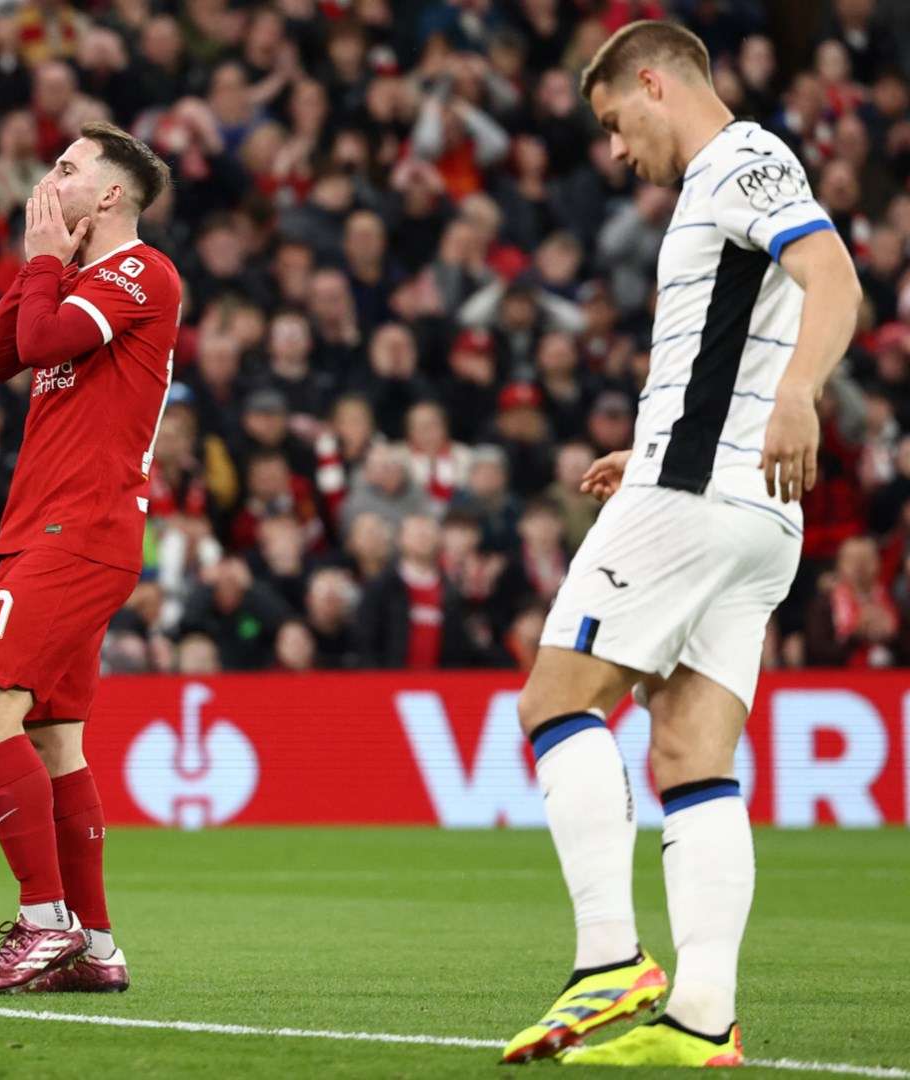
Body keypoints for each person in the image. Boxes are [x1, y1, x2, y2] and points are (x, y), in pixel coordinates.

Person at [502, 22, 860, 1068]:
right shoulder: (732, 179)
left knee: (555, 701)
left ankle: (609, 957)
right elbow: (733, 346)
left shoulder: (739, 161)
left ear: (654, 84)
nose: (616, 150)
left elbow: (834, 276)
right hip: (753, 514)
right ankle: (705, 1014)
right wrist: (649, 442)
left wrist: (799, 393)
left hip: (700, 494)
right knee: (692, 760)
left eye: (616, 123)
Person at [0, 121, 179, 996]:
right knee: (54, 740)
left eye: (66, 168)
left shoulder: (138, 271)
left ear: (111, 195)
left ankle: (44, 923)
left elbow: (43, 345)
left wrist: (47, 259)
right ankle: (97, 944)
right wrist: (39, 263)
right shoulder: (75, 278)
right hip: (51, 529)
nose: (49, 180)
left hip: (77, 533)